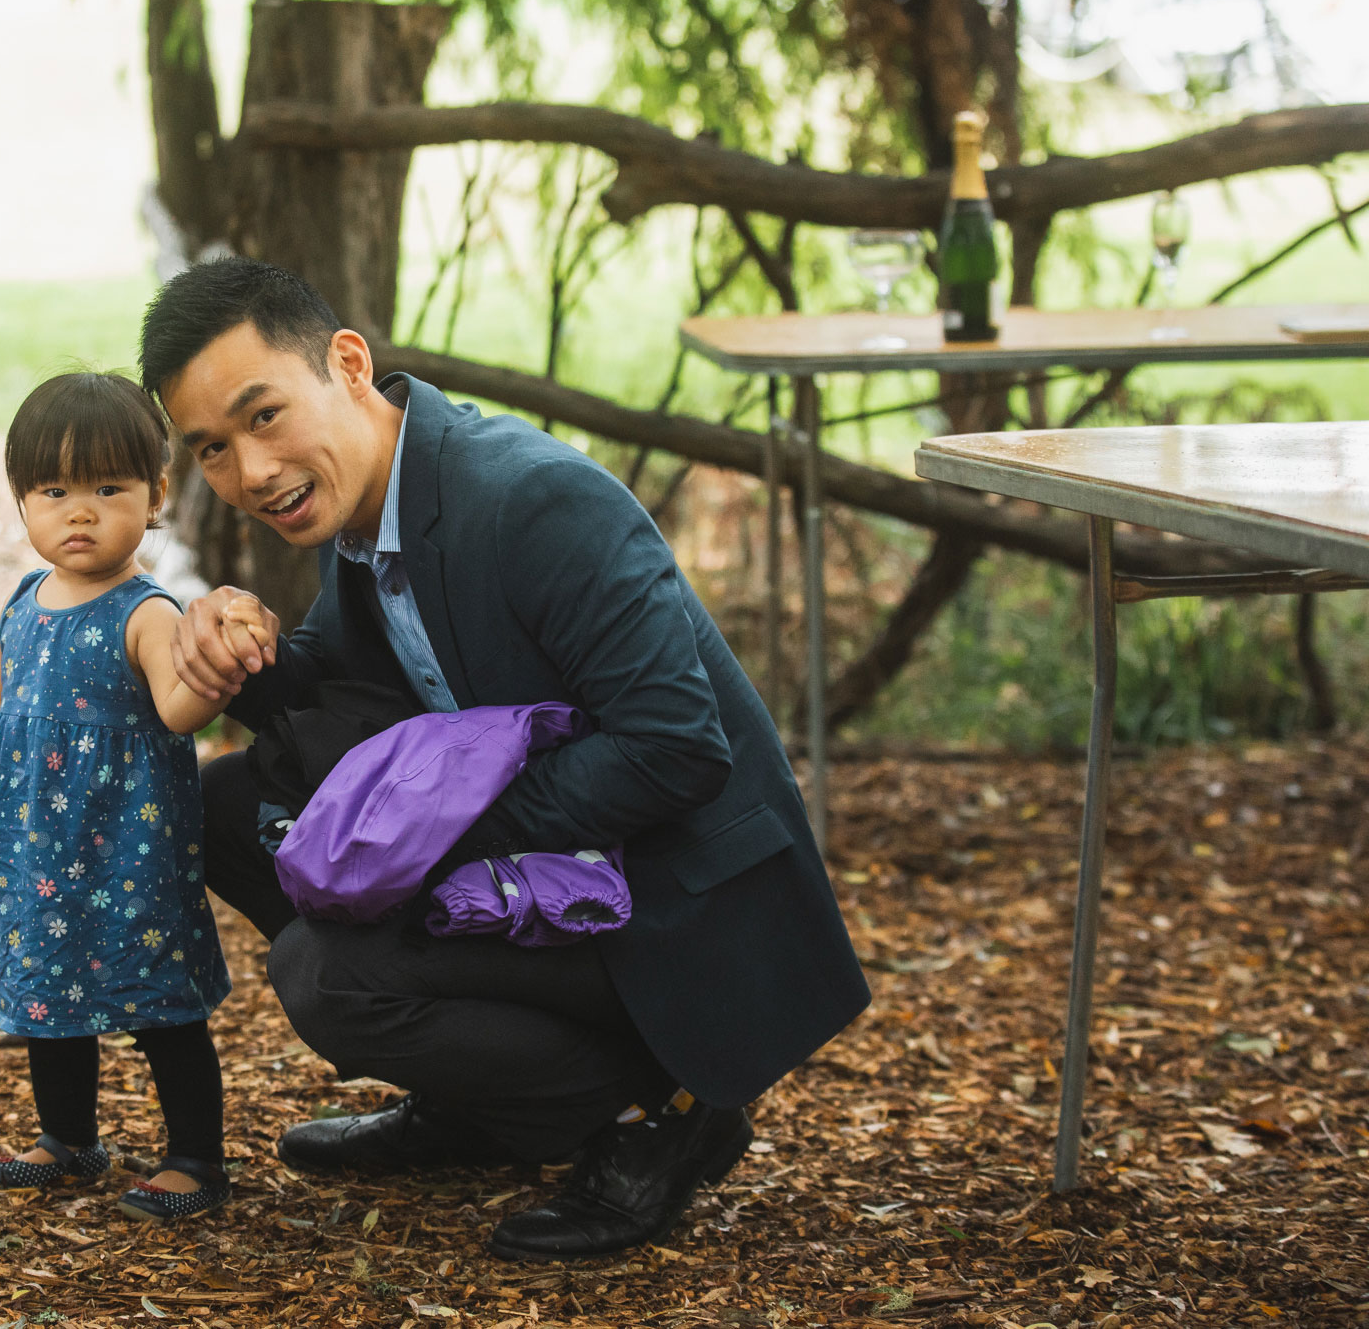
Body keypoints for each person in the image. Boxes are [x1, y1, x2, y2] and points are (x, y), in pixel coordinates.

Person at [138, 258, 872, 1262]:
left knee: (325, 973)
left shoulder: (532, 502)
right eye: (212, 449)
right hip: (545, 859)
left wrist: (434, 846)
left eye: (263, 416)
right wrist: (238, 639)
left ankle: (664, 1108)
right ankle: (481, 1102)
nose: (251, 471)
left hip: (671, 897)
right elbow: (341, 674)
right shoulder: (361, 495)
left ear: (347, 364)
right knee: (227, 806)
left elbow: (673, 749)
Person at [0, 372, 273, 1221]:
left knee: (159, 1002)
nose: (79, 511)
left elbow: (175, 706)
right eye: (55, 491)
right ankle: (68, 1138)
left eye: (107, 488)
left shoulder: (146, 612)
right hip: (38, 848)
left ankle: (195, 1156)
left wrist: (221, 670)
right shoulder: (24, 602)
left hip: (124, 848)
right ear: (23, 501)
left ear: (156, 495)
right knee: (51, 1000)